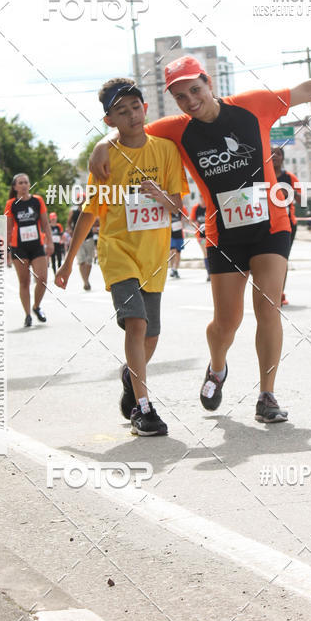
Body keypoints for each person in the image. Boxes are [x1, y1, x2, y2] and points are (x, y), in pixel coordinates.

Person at [90, 54, 311, 423]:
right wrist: (101, 144)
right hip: (223, 235)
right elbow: (131, 128)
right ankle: (218, 367)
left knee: (268, 307)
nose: (190, 101)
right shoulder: (175, 129)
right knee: (226, 323)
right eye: (181, 97)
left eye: (195, 90)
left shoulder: (253, 106)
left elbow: (307, 89)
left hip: (270, 225)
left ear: (208, 82)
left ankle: (267, 395)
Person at [56, 77, 188, 436]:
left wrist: (161, 194)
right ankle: (144, 409)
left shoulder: (165, 150)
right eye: (120, 111)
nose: (131, 115)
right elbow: (90, 210)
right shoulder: (106, 158)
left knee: (151, 334)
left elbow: (178, 204)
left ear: (145, 108)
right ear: (109, 120)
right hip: (117, 251)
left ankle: (132, 379)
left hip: (155, 255)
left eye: (135, 107)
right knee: (136, 322)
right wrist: (68, 261)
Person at [5, 174, 53, 327]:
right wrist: (6, 250)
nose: (24, 185)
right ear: (15, 187)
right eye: (21, 183)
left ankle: (36, 306)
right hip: (19, 247)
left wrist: (50, 242)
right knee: (24, 282)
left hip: (37, 245)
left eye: (26, 182)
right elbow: (8, 228)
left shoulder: (37, 200)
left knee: (43, 279)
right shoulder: (11, 204)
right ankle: (27, 315)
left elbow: (45, 224)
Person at [271, 146, 299, 307]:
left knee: (282, 260)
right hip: (266, 224)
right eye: (271, 154)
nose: (274, 156)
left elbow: (302, 201)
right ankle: (271, 292)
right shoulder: (262, 175)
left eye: (278, 153)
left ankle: (279, 294)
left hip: (287, 225)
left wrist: (290, 192)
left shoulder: (289, 177)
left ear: (282, 158)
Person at [68, 198, 95, 290]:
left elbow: (96, 220)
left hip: (89, 237)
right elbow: (68, 223)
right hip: (78, 239)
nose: (82, 201)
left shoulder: (90, 210)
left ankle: (86, 279)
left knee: (89, 261)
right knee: (81, 261)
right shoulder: (73, 212)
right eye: (80, 199)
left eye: (83, 199)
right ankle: (85, 282)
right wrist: (69, 230)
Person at [189, 198, 210, 280]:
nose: (203, 200)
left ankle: (214, 271)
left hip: (211, 234)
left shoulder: (209, 206)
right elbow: (190, 221)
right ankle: (209, 273)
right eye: (201, 198)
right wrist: (195, 224)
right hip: (201, 235)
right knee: (206, 253)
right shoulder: (196, 208)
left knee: (211, 253)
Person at [169, 204, 187, 278]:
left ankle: (175, 269)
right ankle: (172, 269)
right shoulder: (168, 207)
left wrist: (184, 221)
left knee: (178, 253)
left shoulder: (181, 207)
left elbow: (186, 217)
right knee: (172, 251)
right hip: (170, 234)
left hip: (179, 233)